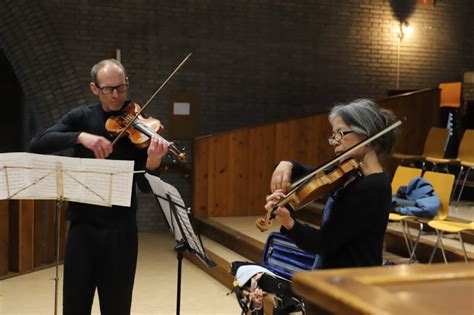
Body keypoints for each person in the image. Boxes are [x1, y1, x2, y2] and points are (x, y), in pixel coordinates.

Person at [29, 59, 168, 315]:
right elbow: (37, 142)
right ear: (95, 88)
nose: (116, 95)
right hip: (82, 229)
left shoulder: (138, 126)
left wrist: (152, 162)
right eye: (108, 89)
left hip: (121, 231)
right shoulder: (81, 117)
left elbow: (145, 186)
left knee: (116, 307)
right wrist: (80, 137)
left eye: (121, 87)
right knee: (75, 305)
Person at [265, 99, 399, 269]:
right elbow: (312, 175)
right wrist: (288, 164)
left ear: (365, 134)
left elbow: (324, 242)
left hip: (349, 282)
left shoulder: (373, 187)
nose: (335, 141)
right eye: (334, 135)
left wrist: (289, 223)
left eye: (341, 133)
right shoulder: (350, 175)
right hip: (334, 274)